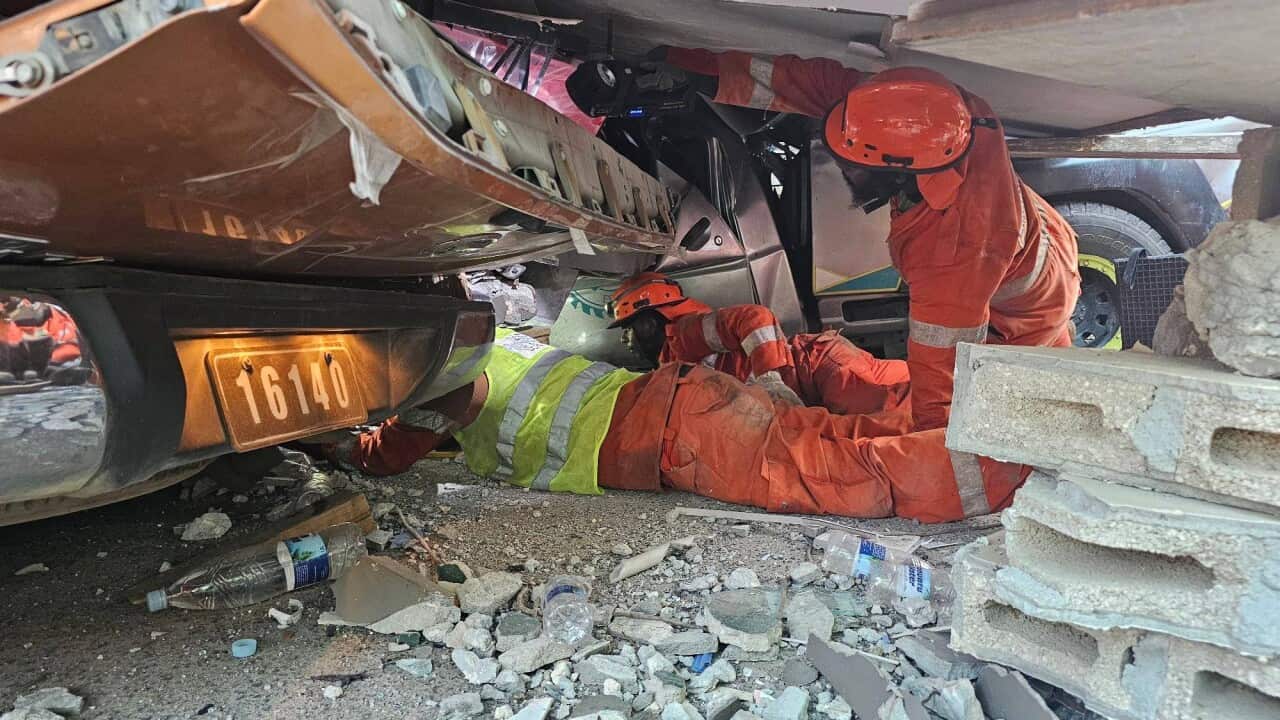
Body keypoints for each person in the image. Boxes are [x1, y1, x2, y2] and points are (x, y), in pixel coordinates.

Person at [571, 53, 1080, 433]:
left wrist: (930, 449)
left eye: (853, 167)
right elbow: (797, 79)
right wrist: (689, 71)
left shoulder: (956, 247)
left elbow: (941, 370)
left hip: (1028, 314)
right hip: (1040, 241)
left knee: (1014, 408)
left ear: (903, 173)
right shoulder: (919, 113)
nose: (840, 169)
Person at [321, 330, 1027, 523]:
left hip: (672, 435)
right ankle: (1007, 416)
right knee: (845, 441)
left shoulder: (446, 372)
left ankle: (1020, 462)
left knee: (848, 476)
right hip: (689, 403)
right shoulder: (498, 333)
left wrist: (329, 435)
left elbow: (383, 458)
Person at [607, 271, 910, 416]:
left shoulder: (684, 335)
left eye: (627, 330)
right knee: (910, 394)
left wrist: (770, 378)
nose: (625, 340)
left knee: (896, 410)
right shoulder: (672, 355)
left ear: (647, 324)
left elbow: (755, 317)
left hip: (819, 368)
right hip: (820, 369)